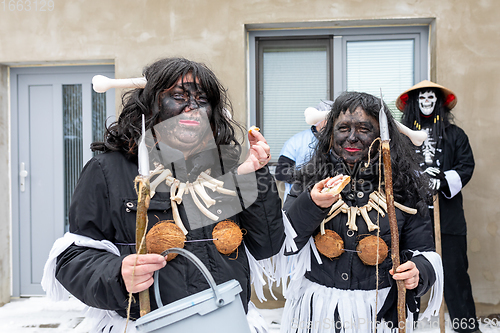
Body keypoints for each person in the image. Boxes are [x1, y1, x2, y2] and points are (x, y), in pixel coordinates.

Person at [42, 57, 284, 332]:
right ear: (150, 106)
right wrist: (118, 274)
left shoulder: (226, 166)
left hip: (228, 322)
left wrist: (254, 174)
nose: (192, 107)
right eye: (178, 96)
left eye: (202, 99)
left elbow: (268, 244)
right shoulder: (107, 170)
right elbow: (74, 258)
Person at [278, 91, 443, 332]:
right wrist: (312, 204)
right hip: (319, 311)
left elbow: (424, 251)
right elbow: (287, 242)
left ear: (382, 136)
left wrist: (420, 270)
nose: (352, 137)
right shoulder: (310, 181)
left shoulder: (405, 188)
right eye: (343, 128)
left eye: (364, 129)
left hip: (379, 313)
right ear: (330, 135)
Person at [397, 80, 479, 333]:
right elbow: (392, 167)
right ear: (413, 102)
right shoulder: (402, 135)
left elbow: (466, 166)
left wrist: (441, 180)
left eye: (431, 98)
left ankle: (465, 326)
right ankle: (403, 323)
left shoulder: (455, 135)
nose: (426, 102)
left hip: (448, 217)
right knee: (407, 271)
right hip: (411, 216)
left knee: (455, 272)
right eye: (422, 98)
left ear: (439, 102)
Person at [275, 100, 332, 200]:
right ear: (317, 120)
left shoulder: (341, 142)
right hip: (298, 201)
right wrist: (305, 176)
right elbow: (281, 172)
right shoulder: (296, 142)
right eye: (328, 120)